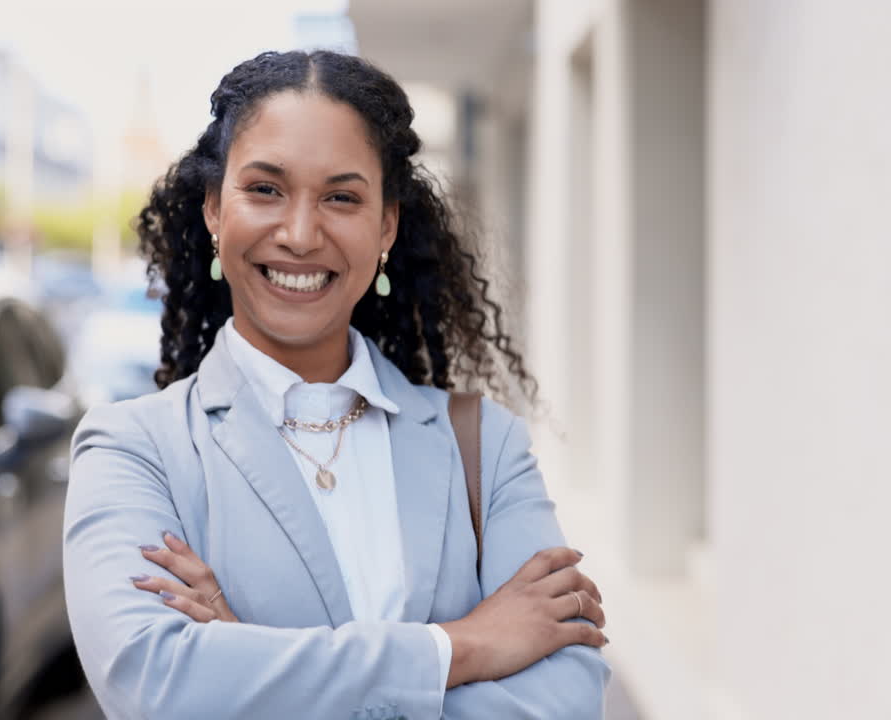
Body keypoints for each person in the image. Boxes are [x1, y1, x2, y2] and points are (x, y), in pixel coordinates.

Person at [62, 49, 610, 719]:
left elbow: (565, 702)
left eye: (342, 197)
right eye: (265, 189)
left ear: (386, 224)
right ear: (213, 209)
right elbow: (158, 684)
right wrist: (460, 647)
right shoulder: (135, 450)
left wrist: (246, 661)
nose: (299, 233)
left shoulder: (486, 450)